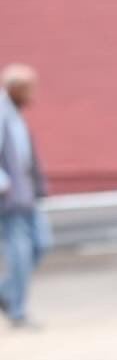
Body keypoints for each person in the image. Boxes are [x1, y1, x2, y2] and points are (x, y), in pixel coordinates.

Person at [0, 63, 49, 331]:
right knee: (19, 252)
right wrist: (4, 185)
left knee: (42, 243)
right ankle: (18, 311)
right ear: (15, 89)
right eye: (30, 89)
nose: (34, 95)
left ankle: (5, 291)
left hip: (27, 195)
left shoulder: (15, 114)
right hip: (9, 200)